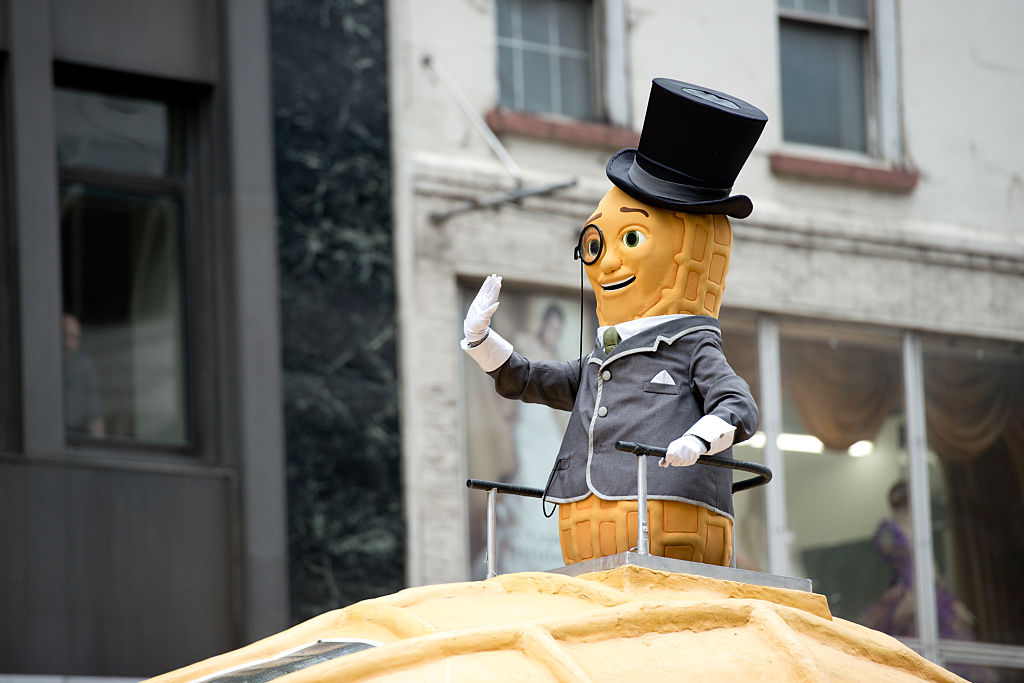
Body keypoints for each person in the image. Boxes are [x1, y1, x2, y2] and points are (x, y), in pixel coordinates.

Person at [461, 79, 766, 567]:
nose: (603, 264)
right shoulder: (602, 358)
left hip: (666, 512)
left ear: (692, 251)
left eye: (631, 239)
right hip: (581, 522)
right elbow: (535, 380)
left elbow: (738, 404)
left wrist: (698, 438)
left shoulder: (691, 348)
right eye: (596, 244)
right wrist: (481, 342)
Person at [63, 312, 106, 437]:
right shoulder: (40, 364)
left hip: (75, 437)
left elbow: (94, 413)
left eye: (74, 338)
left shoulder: (84, 367)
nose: (68, 343)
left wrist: (99, 451)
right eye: (64, 335)